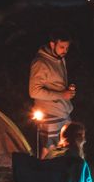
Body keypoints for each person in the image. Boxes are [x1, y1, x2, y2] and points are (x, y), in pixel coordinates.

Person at [29, 29, 76, 158]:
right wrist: (62, 94)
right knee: (49, 151)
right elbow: (34, 91)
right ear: (52, 44)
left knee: (66, 148)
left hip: (63, 111)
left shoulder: (60, 59)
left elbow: (56, 83)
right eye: (62, 47)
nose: (65, 51)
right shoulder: (40, 62)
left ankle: (62, 176)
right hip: (50, 114)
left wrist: (67, 91)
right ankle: (42, 176)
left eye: (67, 47)